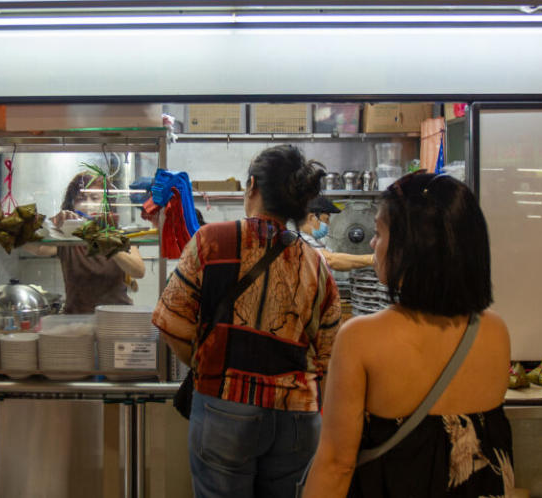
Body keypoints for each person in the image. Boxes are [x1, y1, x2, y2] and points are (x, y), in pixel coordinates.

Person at [302, 172, 513, 498]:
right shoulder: (495, 331)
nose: (372, 244)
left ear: (410, 248)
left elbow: (336, 464)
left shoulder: (361, 339)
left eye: (380, 233)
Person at [152, 144, 342, 498]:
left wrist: (202, 362)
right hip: (299, 418)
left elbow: (170, 321)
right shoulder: (317, 265)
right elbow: (330, 356)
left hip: (225, 405)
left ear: (252, 186)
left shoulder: (213, 241)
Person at [30, 171, 145, 313]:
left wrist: (103, 240)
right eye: (80, 198)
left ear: (106, 205)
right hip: (76, 318)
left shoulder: (119, 234)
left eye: (95, 198)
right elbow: (36, 248)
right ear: (72, 205)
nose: (88, 205)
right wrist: (51, 225)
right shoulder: (67, 238)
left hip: (116, 317)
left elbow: (138, 271)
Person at [295, 195, 374, 271]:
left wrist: (371, 260)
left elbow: (339, 260)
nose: (328, 224)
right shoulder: (297, 240)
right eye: (326, 219)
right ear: (311, 218)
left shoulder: (314, 241)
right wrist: (373, 259)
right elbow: (331, 260)